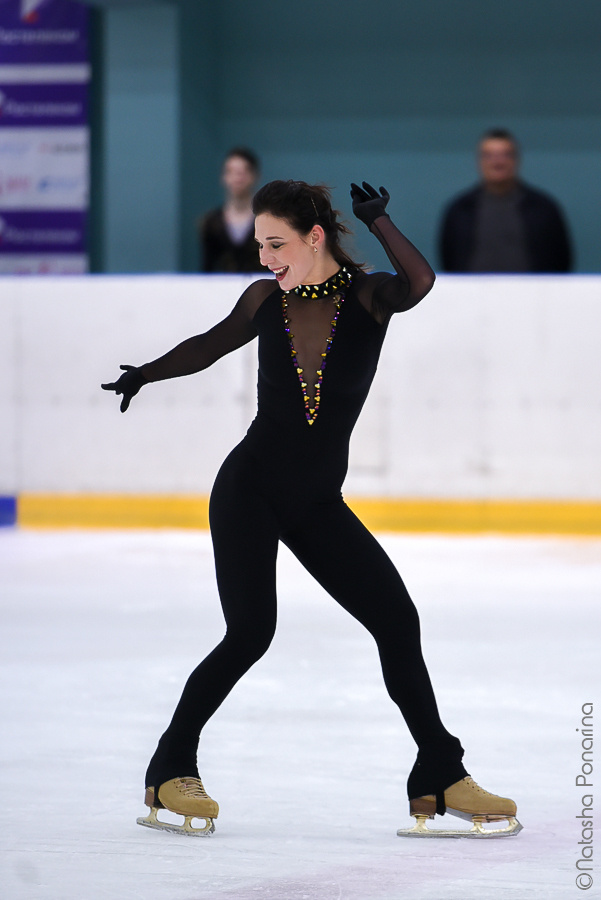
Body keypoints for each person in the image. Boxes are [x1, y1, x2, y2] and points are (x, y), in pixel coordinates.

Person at [102, 179, 522, 839]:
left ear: (313, 237)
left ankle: (439, 772)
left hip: (315, 501)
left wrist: (381, 221)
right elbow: (210, 343)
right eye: (262, 244)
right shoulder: (265, 298)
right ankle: (169, 766)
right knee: (249, 634)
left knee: (395, 620)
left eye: (276, 244)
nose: (265, 257)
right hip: (250, 489)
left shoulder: (367, 296)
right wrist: (144, 374)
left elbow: (419, 281)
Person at [439, 128, 572, 273]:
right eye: (489, 155)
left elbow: (561, 260)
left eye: (505, 155)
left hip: (533, 293)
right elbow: (449, 259)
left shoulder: (543, 209)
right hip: (473, 293)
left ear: (517, 159)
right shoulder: (460, 210)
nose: (497, 162)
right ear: (479, 161)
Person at [198, 147, 264, 273]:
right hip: (222, 289)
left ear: (254, 176)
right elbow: (207, 267)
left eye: (242, 172)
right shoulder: (211, 223)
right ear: (224, 177)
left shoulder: (268, 220)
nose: (237, 178)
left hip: (261, 287)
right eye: (231, 172)